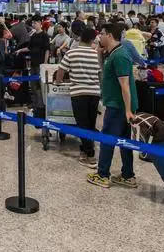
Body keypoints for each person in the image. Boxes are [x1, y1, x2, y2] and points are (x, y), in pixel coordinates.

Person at [87, 22, 137, 189]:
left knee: (107, 139)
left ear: (109, 35)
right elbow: (105, 73)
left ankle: (103, 175)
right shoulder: (113, 53)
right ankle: (128, 175)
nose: (99, 37)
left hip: (118, 106)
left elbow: (125, 85)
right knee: (124, 141)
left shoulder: (120, 55)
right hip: (118, 104)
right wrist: (99, 53)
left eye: (101, 33)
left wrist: (128, 110)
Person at [56, 25, 101, 168]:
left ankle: (91, 156)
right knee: (90, 124)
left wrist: (58, 81)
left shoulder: (71, 53)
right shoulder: (96, 54)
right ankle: (85, 150)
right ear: (93, 40)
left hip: (78, 93)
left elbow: (61, 70)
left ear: (80, 38)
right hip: (94, 93)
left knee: (82, 124)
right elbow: (100, 74)